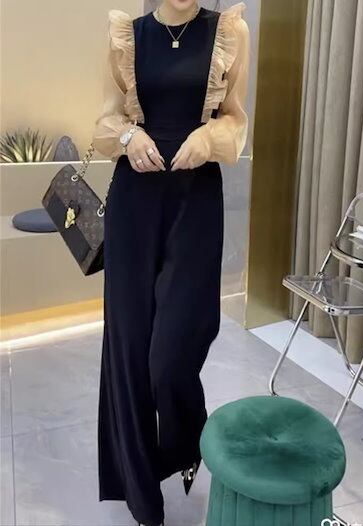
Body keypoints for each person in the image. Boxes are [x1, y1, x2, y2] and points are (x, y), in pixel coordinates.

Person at [92, 1, 250, 524]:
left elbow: (236, 118)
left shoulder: (228, 31)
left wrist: (208, 137)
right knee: (129, 353)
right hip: (133, 203)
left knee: (172, 355)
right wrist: (128, 136)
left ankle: (186, 442)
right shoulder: (127, 34)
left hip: (194, 202)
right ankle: (143, 499)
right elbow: (105, 117)